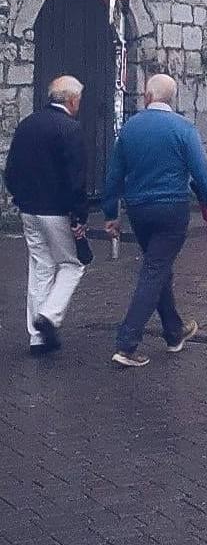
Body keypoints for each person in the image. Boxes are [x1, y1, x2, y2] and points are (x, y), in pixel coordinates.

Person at [103, 74, 207, 368]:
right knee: (155, 270)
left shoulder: (129, 130)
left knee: (158, 268)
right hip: (171, 208)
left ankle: (173, 332)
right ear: (172, 98)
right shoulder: (183, 129)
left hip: (139, 210)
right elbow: (201, 173)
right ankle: (126, 342)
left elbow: (114, 175)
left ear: (147, 96)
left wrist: (110, 214)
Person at [4, 75, 88, 355]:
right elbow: (75, 179)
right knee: (71, 264)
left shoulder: (28, 124)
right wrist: (79, 216)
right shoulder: (70, 129)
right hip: (57, 210)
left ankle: (36, 337)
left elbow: (10, 168)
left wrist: (19, 197)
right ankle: (49, 317)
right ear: (73, 100)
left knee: (40, 266)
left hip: (29, 208)